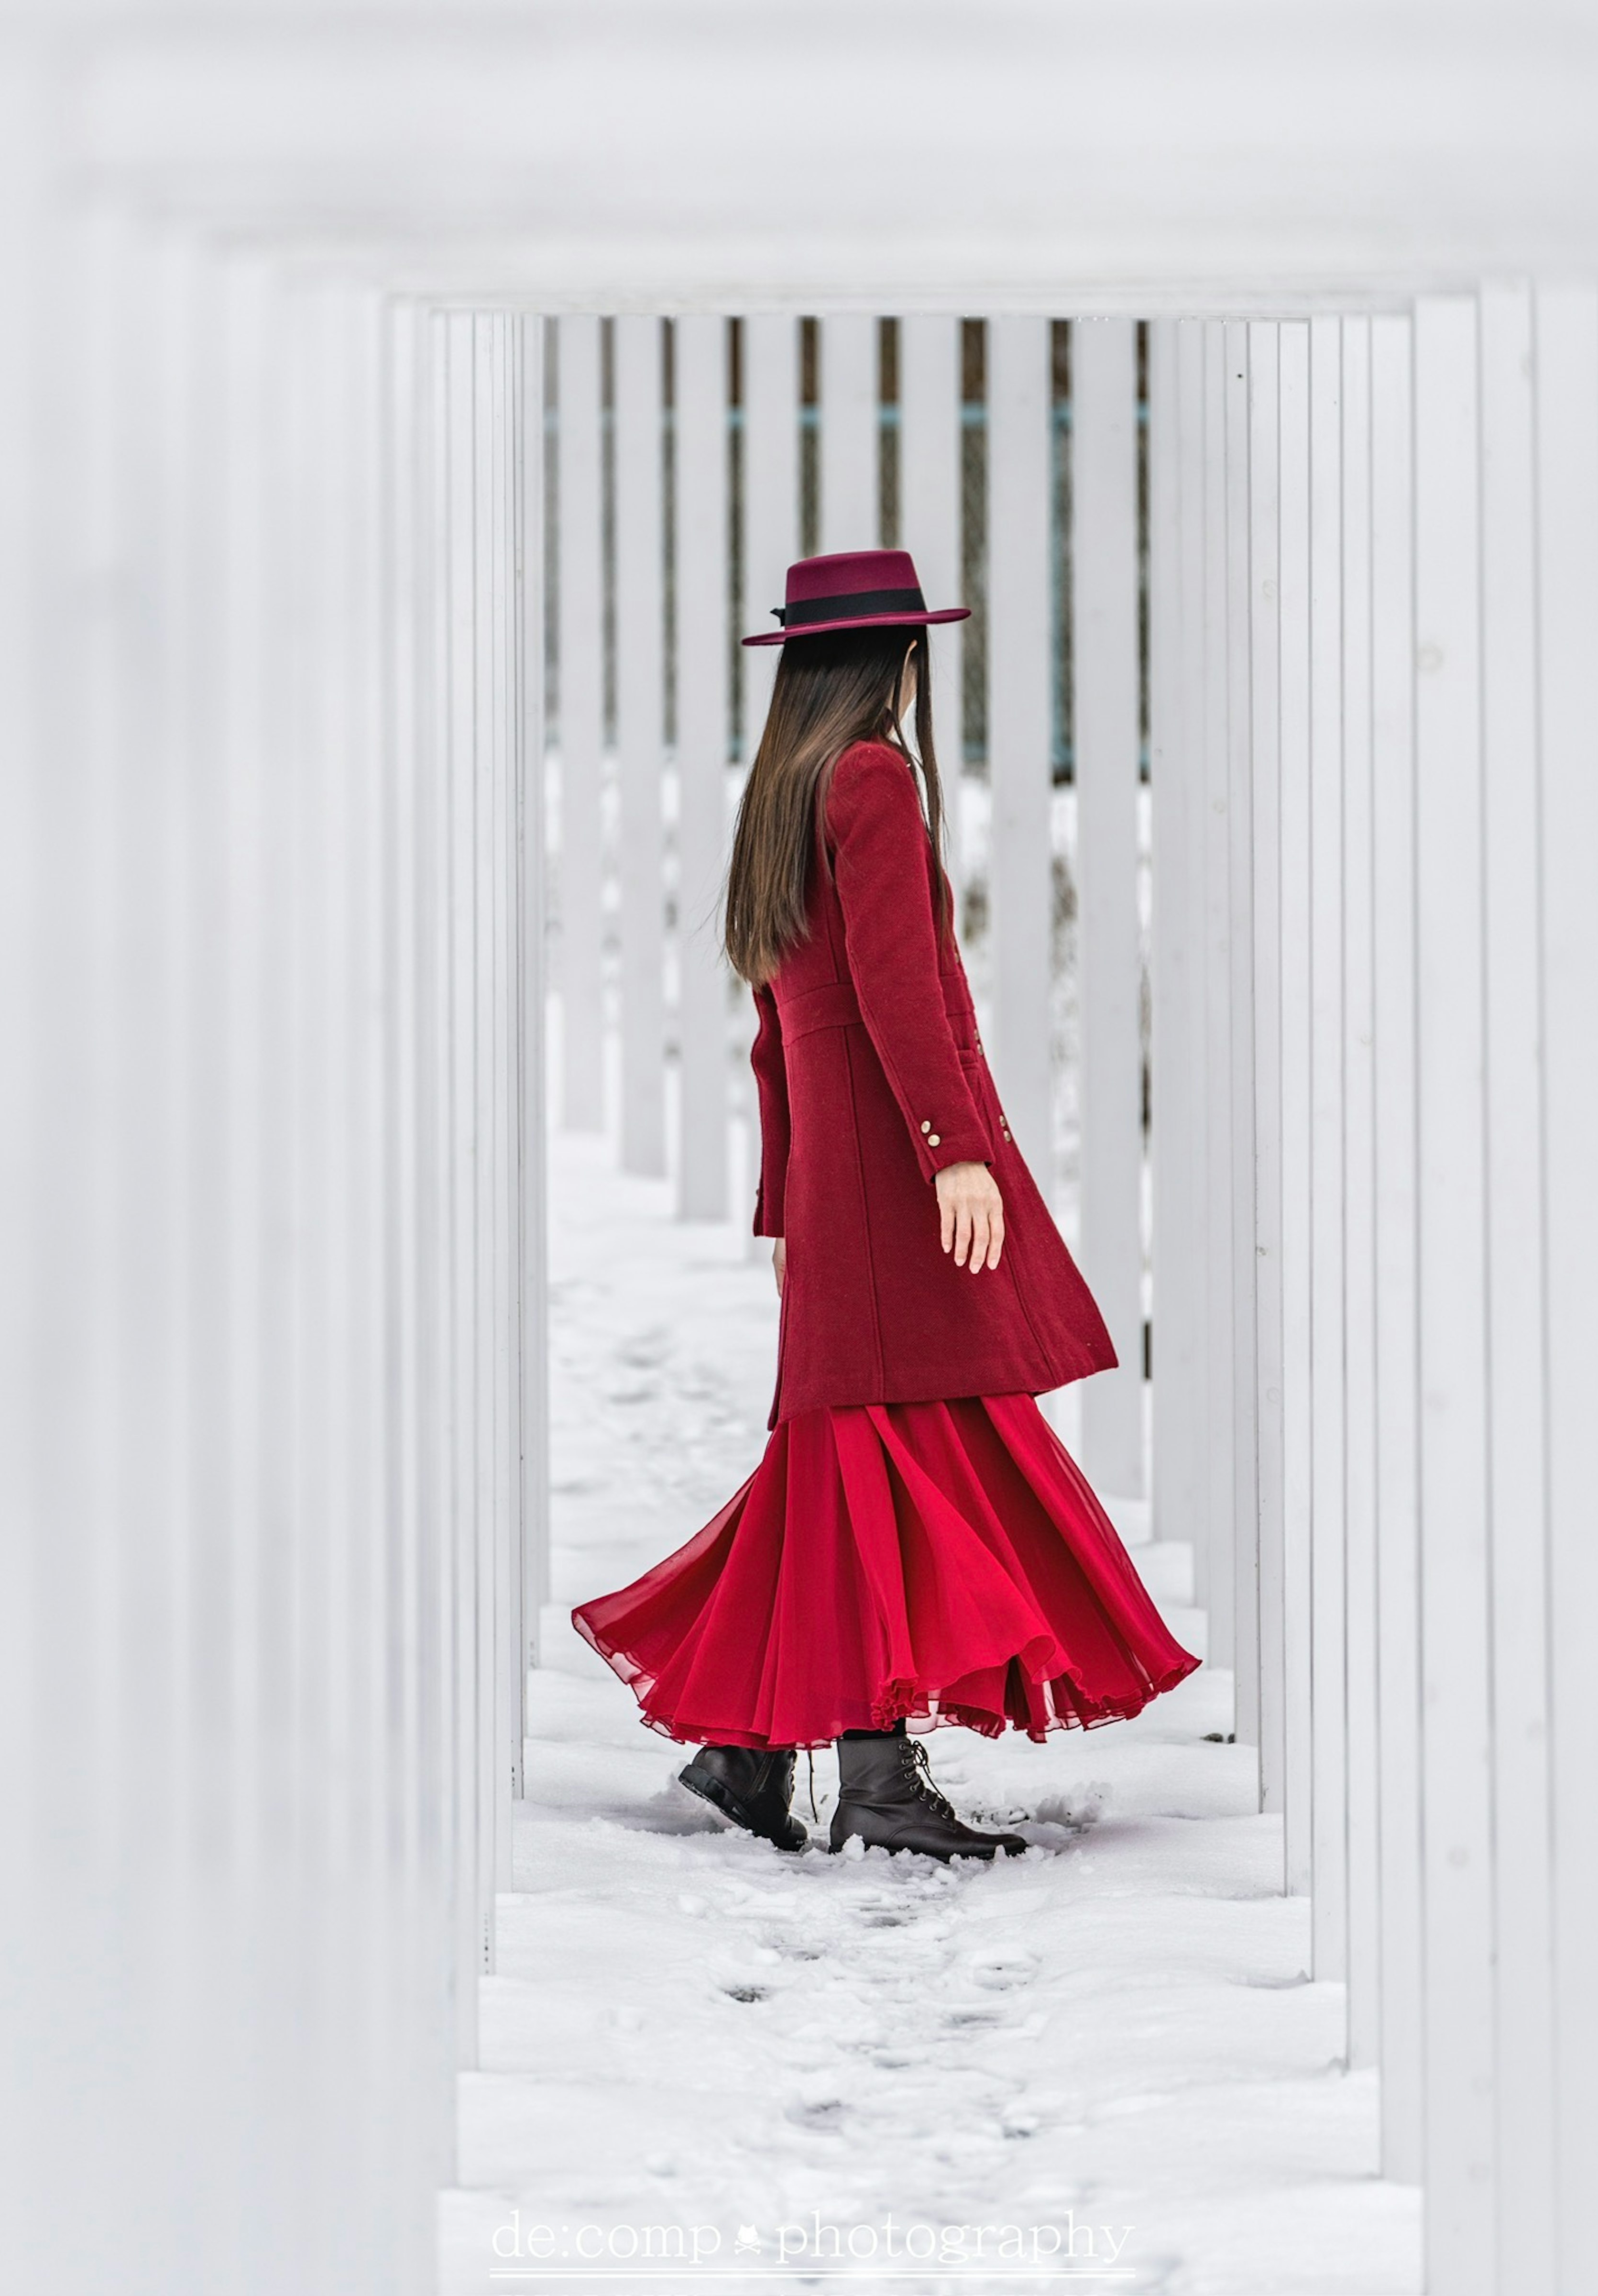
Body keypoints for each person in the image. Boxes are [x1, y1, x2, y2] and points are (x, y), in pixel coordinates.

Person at [572, 548, 1200, 1861]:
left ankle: (753, 1755)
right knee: (889, 1457)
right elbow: (899, 987)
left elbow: (773, 1025)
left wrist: (789, 1195)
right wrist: (949, 1148)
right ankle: (867, 1772)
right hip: (885, 1173)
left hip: (838, 1179)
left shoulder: (781, 791)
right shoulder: (869, 777)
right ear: (900, 663)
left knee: (855, 1463)